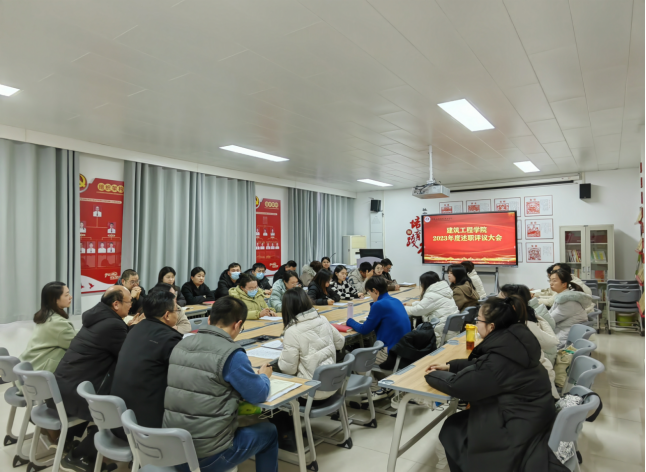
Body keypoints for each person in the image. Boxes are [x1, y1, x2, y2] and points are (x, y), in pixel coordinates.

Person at [425, 296, 564, 472]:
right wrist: (450, 366)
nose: (476, 324)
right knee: (460, 421)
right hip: (534, 416)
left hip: (517, 429)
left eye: (478, 320)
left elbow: (459, 386)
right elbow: (483, 365)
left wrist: (431, 375)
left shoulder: (500, 357)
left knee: (453, 428)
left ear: (491, 326)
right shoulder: (516, 340)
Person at [163, 297, 277, 472]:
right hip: (206, 457)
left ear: (209, 320)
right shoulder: (231, 353)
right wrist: (264, 376)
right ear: (238, 325)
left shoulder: (181, 345)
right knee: (268, 431)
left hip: (172, 449)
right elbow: (259, 394)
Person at [54, 286, 144, 471]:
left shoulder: (98, 316)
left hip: (65, 384)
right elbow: (126, 355)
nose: (131, 305)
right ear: (116, 304)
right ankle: (83, 455)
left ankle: (78, 446)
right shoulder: (114, 325)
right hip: (77, 391)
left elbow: (111, 341)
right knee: (123, 406)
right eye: (129, 302)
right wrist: (136, 330)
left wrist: (129, 328)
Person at [271, 288, 345, 450]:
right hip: (334, 386)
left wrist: (285, 352)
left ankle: (288, 439)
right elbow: (340, 343)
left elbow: (288, 370)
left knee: (272, 385)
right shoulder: (323, 319)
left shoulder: (292, 331)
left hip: (311, 394)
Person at [111, 291, 183, 441]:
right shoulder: (169, 339)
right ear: (167, 315)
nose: (178, 313)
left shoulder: (135, 328)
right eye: (176, 310)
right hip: (144, 426)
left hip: (119, 418)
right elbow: (183, 377)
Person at [346, 276, 411, 399]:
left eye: (369, 292)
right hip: (403, 350)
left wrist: (350, 321)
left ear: (375, 291)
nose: (369, 295)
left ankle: (377, 389)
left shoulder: (379, 305)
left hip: (390, 352)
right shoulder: (396, 301)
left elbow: (364, 330)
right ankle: (386, 386)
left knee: (357, 360)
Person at [498, 284, 559, 399]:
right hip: (536, 372)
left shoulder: (523, 324)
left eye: (501, 295)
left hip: (536, 379)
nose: (497, 298)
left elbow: (552, 341)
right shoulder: (525, 315)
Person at [21, 282, 76, 378]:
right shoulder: (57, 323)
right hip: (41, 375)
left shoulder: (47, 316)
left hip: (29, 369)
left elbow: (68, 334)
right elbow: (77, 345)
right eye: (66, 295)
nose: (70, 297)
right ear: (55, 300)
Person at [404, 271, 459, 340]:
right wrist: (412, 304)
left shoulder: (432, 295)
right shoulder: (443, 290)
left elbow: (418, 310)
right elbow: (428, 304)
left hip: (440, 333)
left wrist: (402, 308)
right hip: (451, 331)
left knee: (408, 338)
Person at [547, 269, 592, 348]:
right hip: (561, 334)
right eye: (550, 280)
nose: (551, 283)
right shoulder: (562, 297)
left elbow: (549, 320)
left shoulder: (568, 302)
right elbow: (549, 315)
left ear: (564, 284)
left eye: (554, 281)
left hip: (563, 341)